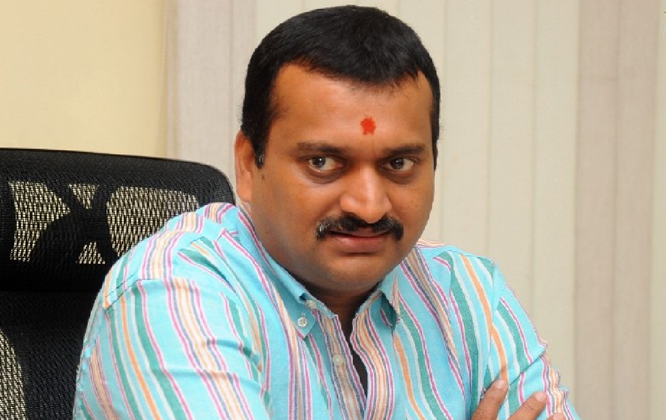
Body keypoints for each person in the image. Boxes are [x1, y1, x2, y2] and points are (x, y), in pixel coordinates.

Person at [73, 6, 579, 420]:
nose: (369, 206)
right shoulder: (174, 292)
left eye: (398, 164)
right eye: (323, 163)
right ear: (249, 164)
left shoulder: (470, 294)